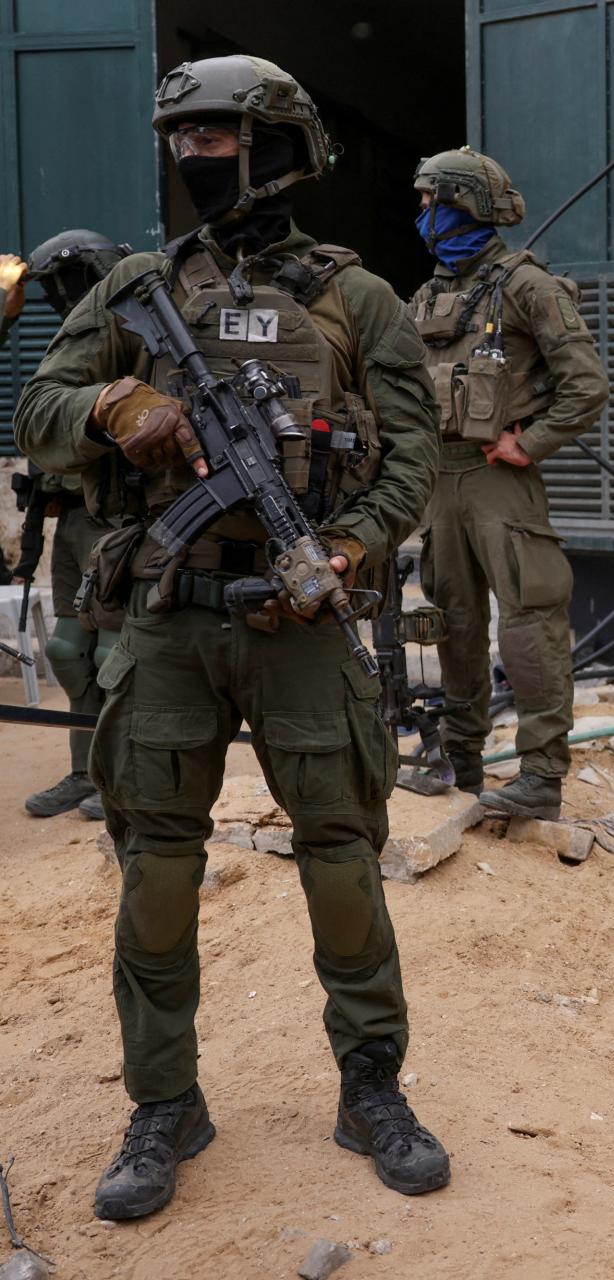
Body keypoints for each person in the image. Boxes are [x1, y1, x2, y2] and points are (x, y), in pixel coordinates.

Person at [16, 55, 450, 1220]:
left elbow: (413, 456)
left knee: (343, 861)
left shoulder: (356, 300)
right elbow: (38, 412)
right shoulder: (137, 290)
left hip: (303, 621)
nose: (193, 159)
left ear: (276, 147)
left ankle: (371, 1088)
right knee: (157, 869)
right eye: (181, 140)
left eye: (215, 138)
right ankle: (165, 1103)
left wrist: (347, 550)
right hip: (168, 621)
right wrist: (119, 406)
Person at [406, 147, 609, 819]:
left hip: (500, 483)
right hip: (441, 484)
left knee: (528, 625)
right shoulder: (428, 296)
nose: (424, 214)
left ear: (465, 203)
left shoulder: (527, 287)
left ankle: (541, 779)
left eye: (433, 200)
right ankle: (460, 762)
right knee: (453, 627)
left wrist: (532, 442)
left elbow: (587, 385)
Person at [7, 231, 133, 820]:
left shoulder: (136, 340)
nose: (63, 296)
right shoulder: (69, 345)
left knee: (115, 655)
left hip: (122, 522)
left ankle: (121, 776)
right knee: (65, 650)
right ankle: (84, 772)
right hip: (71, 522)